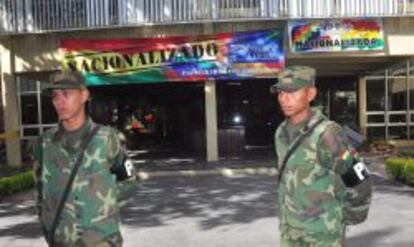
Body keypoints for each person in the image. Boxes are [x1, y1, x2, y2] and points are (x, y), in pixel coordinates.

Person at [271, 66, 372, 247]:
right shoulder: (281, 132)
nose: (284, 99)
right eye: (280, 92)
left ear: (310, 94)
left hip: (322, 235)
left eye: (292, 92)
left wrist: (345, 216)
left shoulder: (327, 133)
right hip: (290, 231)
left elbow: (358, 176)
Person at [32, 71, 133, 246]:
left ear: (84, 95)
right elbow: (39, 189)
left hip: (101, 240)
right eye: (55, 96)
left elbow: (129, 179)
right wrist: (48, 222)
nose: (59, 101)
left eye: (66, 94)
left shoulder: (108, 138)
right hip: (60, 239)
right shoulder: (44, 143)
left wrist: (103, 209)